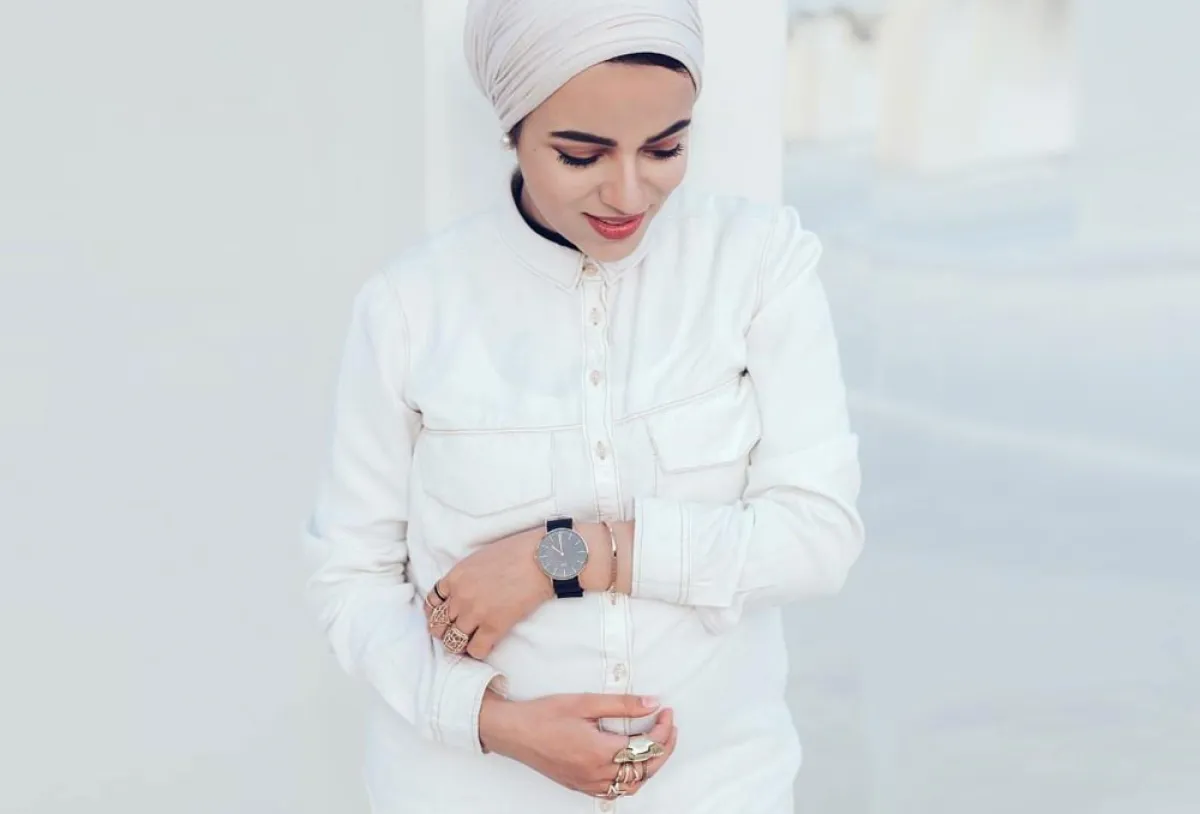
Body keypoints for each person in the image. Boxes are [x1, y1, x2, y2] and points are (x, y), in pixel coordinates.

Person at [301, 0, 864, 811]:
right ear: (513, 130)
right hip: (469, 791)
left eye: (665, 148)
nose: (629, 190)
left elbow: (817, 537)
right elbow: (351, 578)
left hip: (718, 788)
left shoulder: (758, 266)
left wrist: (563, 557)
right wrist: (494, 723)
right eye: (580, 154)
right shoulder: (410, 309)